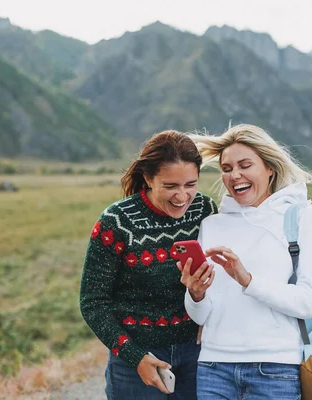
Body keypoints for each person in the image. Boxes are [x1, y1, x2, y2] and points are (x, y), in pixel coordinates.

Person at [179, 124, 312, 399]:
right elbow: (200, 316)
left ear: (269, 168)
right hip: (213, 368)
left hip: (275, 369)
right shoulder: (212, 225)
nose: (235, 175)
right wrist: (196, 294)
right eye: (226, 169)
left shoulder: (302, 218)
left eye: (245, 165)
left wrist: (246, 279)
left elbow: (307, 302)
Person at [79, 130, 217, 400]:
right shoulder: (116, 222)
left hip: (197, 350)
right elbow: (93, 302)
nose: (182, 196)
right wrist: (135, 357)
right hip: (136, 356)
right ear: (148, 178)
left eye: (191, 184)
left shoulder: (206, 211)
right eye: (170, 186)